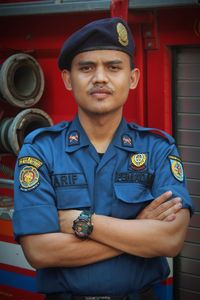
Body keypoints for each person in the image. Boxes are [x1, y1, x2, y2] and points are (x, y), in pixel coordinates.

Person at [13, 17, 194, 300]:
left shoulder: (158, 148)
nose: (100, 77)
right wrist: (138, 230)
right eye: (86, 67)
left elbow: (170, 240)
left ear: (132, 78)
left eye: (113, 67)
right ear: (67, 79)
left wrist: (82, 222)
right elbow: (39, 251)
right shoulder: (40, 150)